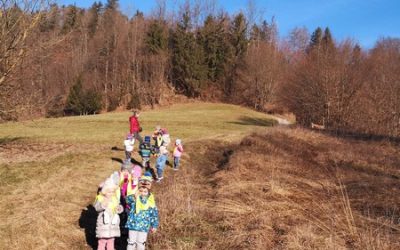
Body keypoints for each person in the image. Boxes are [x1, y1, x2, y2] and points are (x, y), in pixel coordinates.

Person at [126, 176, 159, 250]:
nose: (143, 193)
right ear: (138, 191)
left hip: (144, 226)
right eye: (141, 191)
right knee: (131, 242)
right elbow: (127, 200)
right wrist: (134, 196)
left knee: (141, 243)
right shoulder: (134, 199)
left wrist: (154, 225)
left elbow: (154, 215)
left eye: (145, 192)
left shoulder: (151, 202)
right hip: (133, 225)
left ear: (148, 192)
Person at [94, 176, 124, 250]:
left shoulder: (115, 199)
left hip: (113, 225)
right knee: (102, 241)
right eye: (109, 192)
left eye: (113, 192)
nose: (111, 194)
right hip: (104, 225)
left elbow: (119, 208)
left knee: (111, 241)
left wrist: (119, 208)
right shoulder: (101, 199)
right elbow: (97, 208)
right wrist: (103, 204)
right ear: (104, 191)